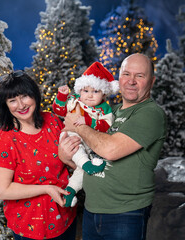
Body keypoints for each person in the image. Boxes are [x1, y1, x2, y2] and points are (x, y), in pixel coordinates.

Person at [59, 53, 167, 240]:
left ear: (152, 81)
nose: (131, 81)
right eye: (126, 74)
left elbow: (110, 150)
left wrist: (78, 125)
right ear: (119, 78)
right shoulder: (111, 111)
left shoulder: (150, 113)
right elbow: (83, 155)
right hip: (91, 210)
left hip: (125, 214)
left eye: (139, 76)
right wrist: (64, 153)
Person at [0, 71, 77, 240]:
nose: (21, 105)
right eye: (12, 100)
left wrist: (67, 159)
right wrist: (45, 188)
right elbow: (0, 191)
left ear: (34, 96)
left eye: (24, 96)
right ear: (6, 106)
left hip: (65, 219)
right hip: (30, 227)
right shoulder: (5, 139)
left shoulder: (53, 121)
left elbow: (77, 162)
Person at [52, 62, 119, 207]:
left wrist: (87, 120)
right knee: (77, 147)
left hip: (90, 142)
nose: (89, 95)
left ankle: (69, 193)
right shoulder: (75, 101)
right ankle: (87, 164)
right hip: (72, 136)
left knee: (81, 172)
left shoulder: (104, 109)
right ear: (79, 90)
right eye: (86, 91)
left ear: (103, 93)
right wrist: (62, 96)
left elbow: (106, 125)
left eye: (95, 92)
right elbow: (58, 110)